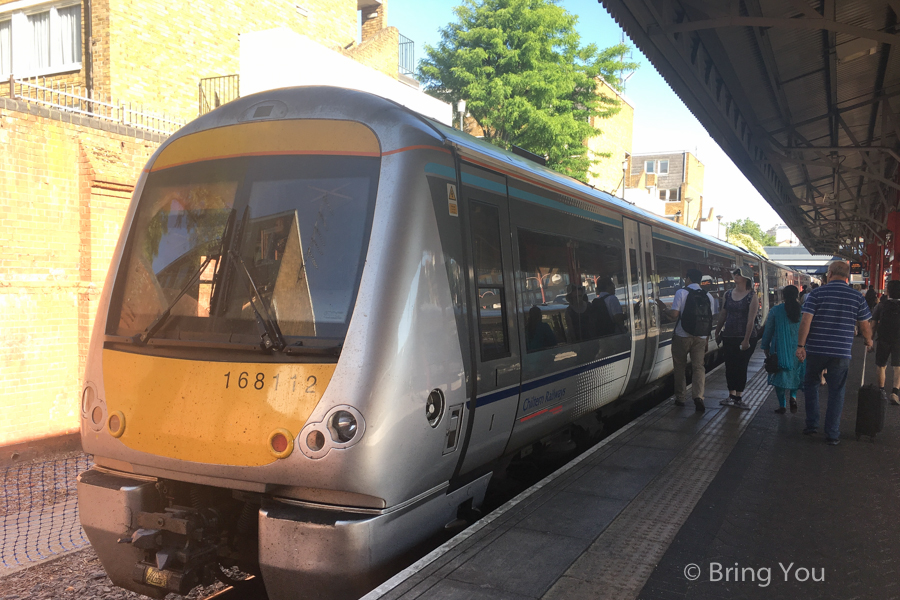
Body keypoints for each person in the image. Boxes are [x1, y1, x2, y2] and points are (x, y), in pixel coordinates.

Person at [795, 260, 873, 446]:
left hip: (816, 349)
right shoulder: (857, 297)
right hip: (841, 352)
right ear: (847, 276)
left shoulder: (816, 294)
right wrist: (868, 340)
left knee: (811, 385)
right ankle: (832, 434)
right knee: (836, 391)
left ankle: (812, 425)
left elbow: (806, 321)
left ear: (829, 274)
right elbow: (865, 325)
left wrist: (800, 345)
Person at [658, 268, 715, 412]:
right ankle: (698, 397)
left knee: (680, 367)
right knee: (698, 367)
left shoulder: (681, 292)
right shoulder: (708, 296)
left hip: (682, 336)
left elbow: (675, 314)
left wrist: (664, 309)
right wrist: (706, 340)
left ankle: (681, 398)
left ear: (688, 278)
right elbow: (709, 320)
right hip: (701, 337)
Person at [715, 265, 759, 409]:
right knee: (730, 366)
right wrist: (717, 330)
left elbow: (751, 319)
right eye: (735, 273)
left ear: (746, 277)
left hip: (745, 337)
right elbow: (723, 313)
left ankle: (739, 396)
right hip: (729, 336)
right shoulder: (728, 294)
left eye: (739, 274)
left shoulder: (752, 296)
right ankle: (731, 395)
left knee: (741, 366)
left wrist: (746, 339)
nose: (735, 276)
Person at [760, 285, 806, 414]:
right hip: (798, 349)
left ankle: (782, 405)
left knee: (780, 378)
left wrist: (765, 346)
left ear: (783, 296)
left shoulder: (776, 310)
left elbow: (768, 330)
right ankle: (793, 397)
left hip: (780, 349)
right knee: (795, 375)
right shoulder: (802, 311)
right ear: (797, 295)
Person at [872, 280, 900, 405]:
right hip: (899, 339)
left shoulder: (881, 305)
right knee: (898, 366)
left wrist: (870, 339)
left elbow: (873, 324)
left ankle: (881, 392)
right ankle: (895, 392)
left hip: (883, 338)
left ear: (888, 291)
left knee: (881, 365)